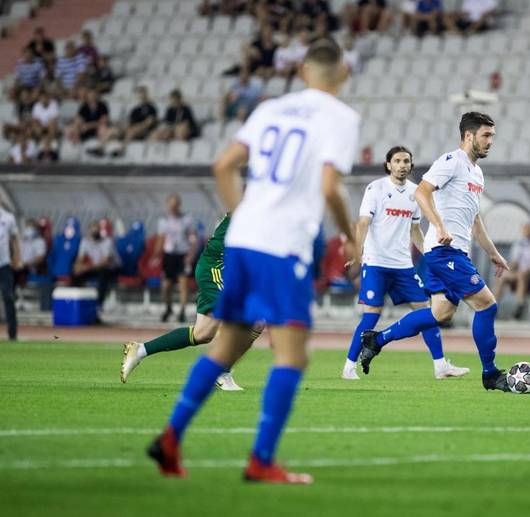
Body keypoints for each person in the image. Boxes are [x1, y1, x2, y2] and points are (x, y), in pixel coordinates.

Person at [147, 38, 360, 484]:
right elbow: (327, 188)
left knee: (225, 345)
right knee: (292, 354)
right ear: (342, 74)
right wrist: (348, 237)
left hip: (242, 242)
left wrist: (246, 216)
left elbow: (223, 166)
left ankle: (170, 438)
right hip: (284, 248)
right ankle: (261, 459)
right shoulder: (340, 117)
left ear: (301, 71)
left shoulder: (269, 109)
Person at [356, 112, 513, 393]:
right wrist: (439, 226)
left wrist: (493, 253)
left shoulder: (476, 173)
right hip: (444, 251)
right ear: (469, 136)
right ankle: (490, 374)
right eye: (486, 135)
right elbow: (422, 193)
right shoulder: (451, 162)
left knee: (440, 313)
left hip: (457, 252)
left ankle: (375, 341)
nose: (491, 141)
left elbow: (475, 220)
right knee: (487, 305)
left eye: (492, 136)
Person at [343, 145, 469, 380]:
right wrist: (358, 252)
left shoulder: (415, 193)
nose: (402, 165)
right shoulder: (375, 189)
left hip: (403, 265)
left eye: (406, 161)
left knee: (428, 313)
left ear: (411, 165)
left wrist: (431, 257)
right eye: (397, 161)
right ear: (388, 164)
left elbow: (415, 231)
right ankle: (349, 365)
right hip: (376, 262)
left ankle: (440, 365)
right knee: (371, 315)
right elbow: (363, 224)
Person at [121, 214, 262, 390]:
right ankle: (220, 370)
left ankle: (140, 350)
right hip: (216, 267)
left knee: (202, 334)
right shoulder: (254, 205)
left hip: (231, 271)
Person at [155, 194, 197, 323]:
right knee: (166, 285)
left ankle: (182, 311)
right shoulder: (163, 221)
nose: (173, 207)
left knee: (183, 284)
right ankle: (168, 308)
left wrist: (190, 255)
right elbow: (161, 239)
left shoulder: (186, 219)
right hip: (169, 256)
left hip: (183, 254)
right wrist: (156, 255)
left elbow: (194, 239)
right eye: (170, 204)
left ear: (179, 205)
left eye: (175, 204)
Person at [493, 221, 530, 320]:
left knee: (522, 275)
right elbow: (514, 262)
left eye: (529, 229)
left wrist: (528, 270)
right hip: (519, 272)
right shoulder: (518, 244)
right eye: (525, 229)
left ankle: (519, 306)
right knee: (502, 276)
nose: (527, 231)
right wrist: (508, 269)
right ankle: (494, 306)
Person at [72, 221, 119, 317]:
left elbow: (105, 262)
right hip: (95, 267)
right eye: (93, 229)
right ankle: (77, 301)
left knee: (103, 274)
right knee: (75, 274)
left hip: (112, 268)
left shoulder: (107, 241)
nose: (95, 231)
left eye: (97, 229)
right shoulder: (85, 241)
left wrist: (85, 268)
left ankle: (98, 304)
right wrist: (77, 267)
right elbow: (80, 259)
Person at [106, 86, 158, 157]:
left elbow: (149, 122)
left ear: (146, 94)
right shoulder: (135, 109)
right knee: (113, 130)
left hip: (144, 131)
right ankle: (101, 148)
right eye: (140, 94)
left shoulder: (151, 108)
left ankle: (121, 150)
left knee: (132, 130)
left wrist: (137, 126)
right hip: (133, 129)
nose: (141, 96)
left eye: (143, 93)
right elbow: (130, 122)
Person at [0, 205, 20, 341]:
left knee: (8, 296)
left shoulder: (8, 218)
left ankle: (12, 333)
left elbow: (14, 239)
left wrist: (17, 257)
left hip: (4, 263)